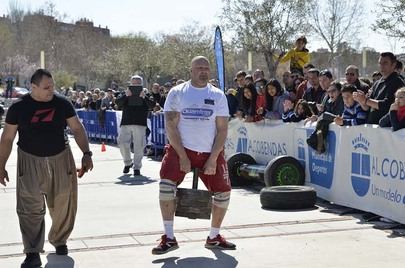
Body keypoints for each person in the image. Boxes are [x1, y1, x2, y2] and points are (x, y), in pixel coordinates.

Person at [0, 69, 93, 268]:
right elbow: (7, 138)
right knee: (29, 207)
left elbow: (77, 128)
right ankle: (32, 251)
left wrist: (86, 153)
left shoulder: (62, 103)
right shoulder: (19, 108)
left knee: (63, 202)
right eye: (46, 87)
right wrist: (1, 165)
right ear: (33, 87)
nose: (51, 90)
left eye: (52, 86)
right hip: (29, 159)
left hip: (60, 157)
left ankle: (59, 239)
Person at [152, 56, 235, 255]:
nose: (203, 71)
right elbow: (170, 126)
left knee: (224, 193)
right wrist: (182, 156)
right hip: (182, 148)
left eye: (206, 68)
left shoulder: (218, 95)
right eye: (199, 68)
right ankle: (169, 237)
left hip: (209, 151)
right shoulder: (178, 93)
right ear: (191, 71)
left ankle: (214, 237)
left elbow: (222, 130)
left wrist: (214, 158)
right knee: (166, 185)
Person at [115, 75, 154, 176]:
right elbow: (118, 103)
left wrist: (144, 97)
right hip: (126, 122)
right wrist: (126, 96)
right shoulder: (125, 92)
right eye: (134, 83)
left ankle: (137, 167)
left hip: (140, 122)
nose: (135, 85)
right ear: (130, 83)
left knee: (139, 146)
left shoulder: (146, 93)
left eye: (138, 83)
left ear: (141, 84)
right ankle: (128, 163)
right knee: (122, 143)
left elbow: (152, 105)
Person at [353, 52, 405, 124]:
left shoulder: (397, 82)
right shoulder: (377, 83)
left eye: (385, 63)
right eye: (380, 63)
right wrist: (361, 100)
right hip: (372, 127)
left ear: (393, 65)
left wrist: (366, 100)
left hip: (387, 129)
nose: (381, 66)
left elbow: (387, 105)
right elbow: (367, 107)